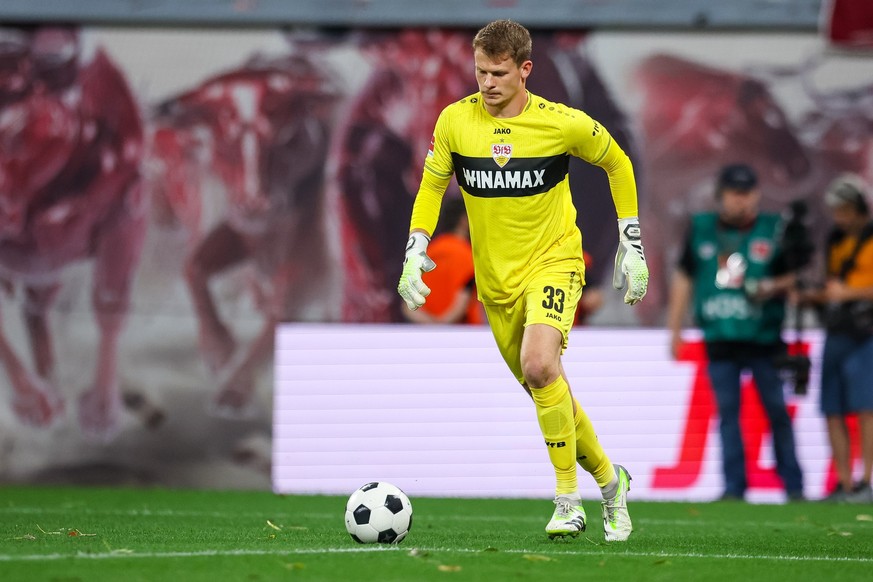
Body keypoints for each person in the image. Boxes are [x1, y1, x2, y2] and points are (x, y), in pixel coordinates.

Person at [397, 20, 648, 541]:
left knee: (539, 364)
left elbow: (618, 163)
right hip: (496, 284)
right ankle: (609, 481)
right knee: (545, 384)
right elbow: (431, 186)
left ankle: (566, 499)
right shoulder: (455, 122)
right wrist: (415, 248)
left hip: (555, 261)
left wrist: (632, 243)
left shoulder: (560, 124)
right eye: (481, 71)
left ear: (524, 69)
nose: (487, 82)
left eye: (499, 72)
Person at [666, 163, 804, 502]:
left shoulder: (774, 230)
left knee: (775, 411)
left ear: (756, 194)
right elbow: (684, 277)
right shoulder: (701, 229)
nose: (741, 201)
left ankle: (794, 484)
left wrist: (770, 285)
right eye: (734, 193)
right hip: (719, 336)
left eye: (747, 193)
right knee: (727, 414)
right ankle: (733, 486)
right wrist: (675, 328)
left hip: (763, 337)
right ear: (720, 195)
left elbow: (797, 278)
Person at [802, 175, 873, 503]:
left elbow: (848, 288)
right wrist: (815, 296)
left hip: (866, 332)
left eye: (846, 210)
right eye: (837, 211)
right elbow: (833, 283)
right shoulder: (834, 240)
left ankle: (866, 481)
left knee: (865, 406)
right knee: (831, 406)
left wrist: (849, 292)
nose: (840, 217)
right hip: (838, 329)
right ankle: (844, 483)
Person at [402, 198, 485, 325]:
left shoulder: (428, 251)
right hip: (463, 335)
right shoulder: (467, 255)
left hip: (425, 335)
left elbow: (407, 305)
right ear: (464, 220)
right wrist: (443, 325)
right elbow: (462, 301)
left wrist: (432, 325)